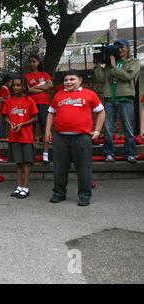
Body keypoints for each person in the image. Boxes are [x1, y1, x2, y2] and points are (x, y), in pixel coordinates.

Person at [46, 71, 106, 207]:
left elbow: (101, 111)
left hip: (82, 137)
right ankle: (59, 193)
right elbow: (51, 113)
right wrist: (47, 131)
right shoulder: (58, 95)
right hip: (61, 137)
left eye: (72, 79)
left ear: (80, 80)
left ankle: (84, 195)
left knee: (84, 168)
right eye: (66, 80)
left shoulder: (89, 94)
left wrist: (97, 131)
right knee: (59, 168)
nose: (68, 82)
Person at [94, 38, 140, 163]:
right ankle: (109, 153)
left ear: (128, 48)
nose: (119, 50)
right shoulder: (109, 63)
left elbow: (128, 76)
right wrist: (98, 65)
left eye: (122, 47)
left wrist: (114, 66)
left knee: (128, 129)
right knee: (108, 129)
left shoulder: (134, 62)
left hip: (125, 99)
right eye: (117, 48)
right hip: (109, 99)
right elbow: (101, 79)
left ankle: (130, 153)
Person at [1, 77, 38, 199]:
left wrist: (22, 124)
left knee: (26, 163)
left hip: (26, 136)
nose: (16, 87)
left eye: (18, 85)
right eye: (14, 85)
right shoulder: (9, 101)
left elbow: (35, 118)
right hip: (14, 136)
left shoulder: (29, 100)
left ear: (24, 87)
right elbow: (5, 115)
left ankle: (26, 188)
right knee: (18, 163)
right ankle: (19, 186)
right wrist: (10, 123)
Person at [23, 54, 53, 164]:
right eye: (30, 62)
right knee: (31, 129)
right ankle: (31, 155)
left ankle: (45, 156)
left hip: (44, 103)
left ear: (38, 62)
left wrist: (35, 88)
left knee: (44, 129)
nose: (31, 64)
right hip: (31, 104)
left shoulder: (45, 74)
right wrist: (42, 88)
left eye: (33, 61)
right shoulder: (26, 76)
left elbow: (50, 86)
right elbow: (27, 90)